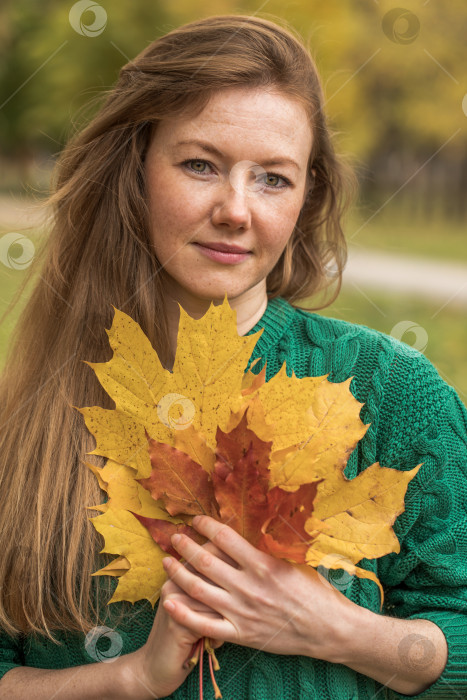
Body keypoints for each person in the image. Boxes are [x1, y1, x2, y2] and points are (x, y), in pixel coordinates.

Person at [0, 13, 466, 700]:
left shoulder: (392, 392)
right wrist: (127, 677)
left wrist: (330, 628)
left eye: (272, 179)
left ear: (307, 199)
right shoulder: (27, 414)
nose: (235, 209)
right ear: (133, 171)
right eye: (200, 165)